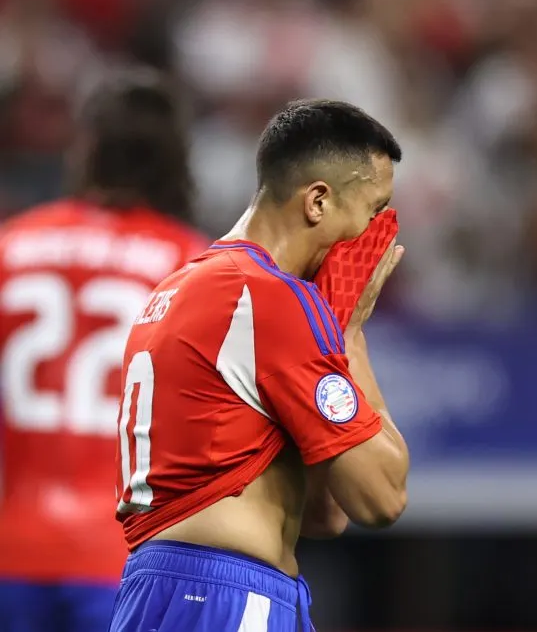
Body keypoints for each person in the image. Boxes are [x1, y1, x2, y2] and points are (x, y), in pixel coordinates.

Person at [107, 99, 410, 632]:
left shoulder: (182, 286)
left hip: (158, 589)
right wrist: (350, 339)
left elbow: (325, 514)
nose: (377, 234)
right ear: (318, 201)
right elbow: (380, 498)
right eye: (373, 210)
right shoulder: (271, 299)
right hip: (225, 597)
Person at [0, 69, 207, 632]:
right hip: (126, 559)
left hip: (11, 549)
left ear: (86, 147)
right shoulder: (193, 268)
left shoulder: (11, 246)